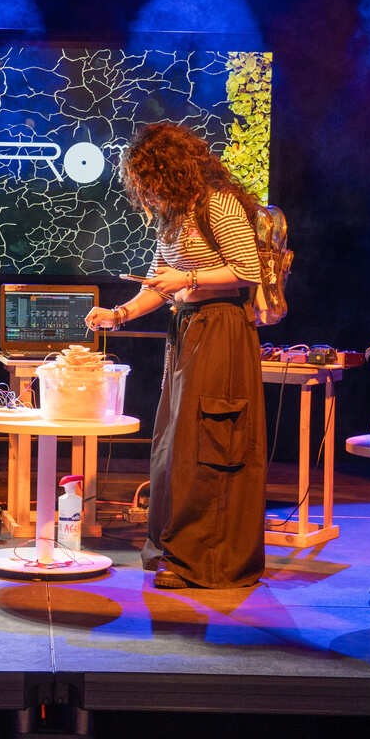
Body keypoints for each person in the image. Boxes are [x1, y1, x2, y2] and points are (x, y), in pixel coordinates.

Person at [85, 123, 268, 589]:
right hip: (189, 329)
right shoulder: (174, 214)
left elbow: (248, 270)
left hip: (222, 328)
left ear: (170, 169)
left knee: (209, 441)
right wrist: (119, 314)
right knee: (175, 442)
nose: (145, 190)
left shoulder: (218, 204)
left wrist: (189, 281)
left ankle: (205, 561)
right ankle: (173, 549)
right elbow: (159, 282)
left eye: (148, 178)